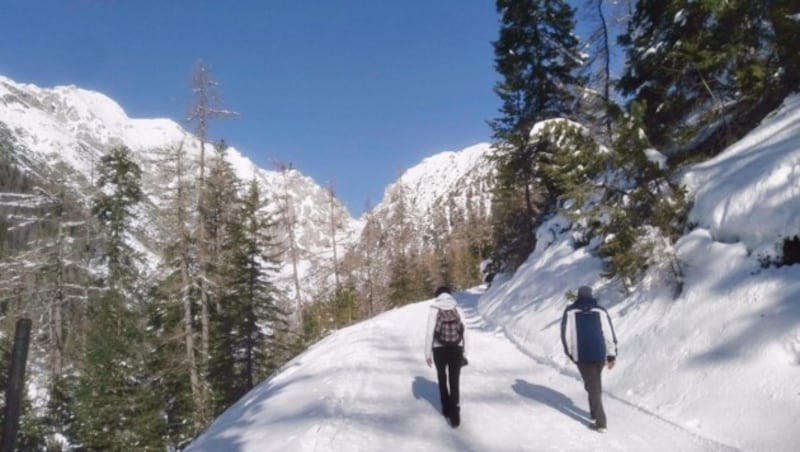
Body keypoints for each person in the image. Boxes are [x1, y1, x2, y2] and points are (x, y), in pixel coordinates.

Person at [560, 286, 617, 433]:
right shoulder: (601, 311)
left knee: (593, 386)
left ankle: (601, 422)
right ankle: (594, 412)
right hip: (599, 353)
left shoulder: (570, 311)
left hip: (582, 354)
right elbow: (609, 333)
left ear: (578, 296)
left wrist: (570, 353)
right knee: (594, 384)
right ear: (591, 296)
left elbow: (565, 334)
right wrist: (611, 354)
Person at [425, 286, 466, 427]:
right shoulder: (457, 306)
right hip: (456, 348)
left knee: (442, 378)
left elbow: (430, 332)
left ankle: (446, 409)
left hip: (439, 349)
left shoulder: (434, 308)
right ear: (449, 294)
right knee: (454, 381)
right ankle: (455, 416)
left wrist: (427, 354)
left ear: (437, 296)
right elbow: (464, 331)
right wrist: (465, 353)